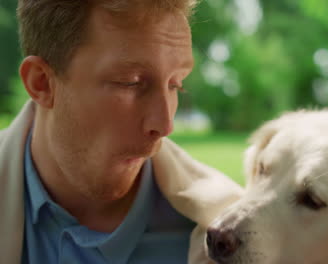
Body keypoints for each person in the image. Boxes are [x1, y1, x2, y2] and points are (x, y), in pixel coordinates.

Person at [0, 0, 243, 263]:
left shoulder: (231, 235)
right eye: (131, 82)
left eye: (176, 84)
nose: (164, 126)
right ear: (41, 83)